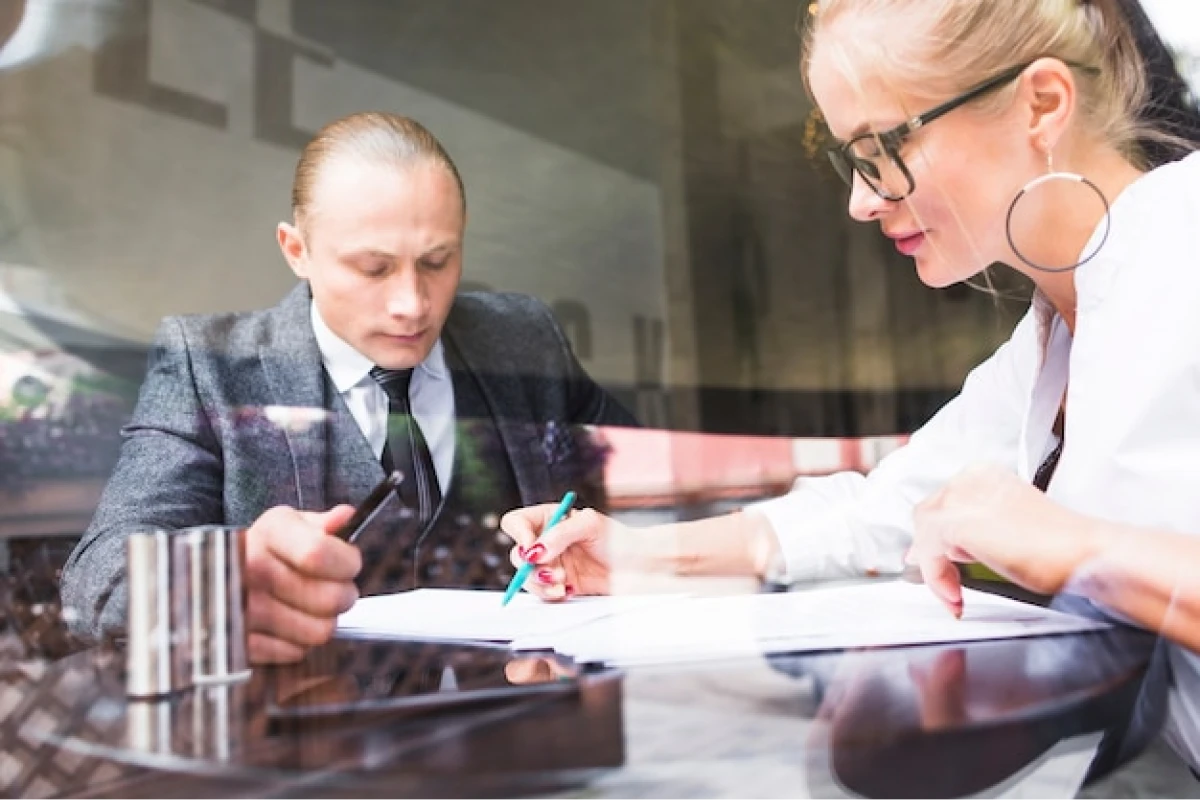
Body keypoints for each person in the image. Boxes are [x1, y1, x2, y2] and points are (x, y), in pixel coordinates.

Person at [500, 0, 1200, 616]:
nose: (861, 201)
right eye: (852, 159)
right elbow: (875, 511)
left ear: (1041, 104)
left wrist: (1078, 549)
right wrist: (630, 556)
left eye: (884, 148)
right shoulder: (1043, 354)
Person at [62, 112, 636, 663]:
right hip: (303, 742)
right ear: (297, 251)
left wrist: (606, 543)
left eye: (437, 261)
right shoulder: (209, 365)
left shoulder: (522, 339)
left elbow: (648, 488)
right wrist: (224, 574)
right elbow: (98, 577)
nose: (413, 304)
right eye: (373, 268)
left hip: (522, 732)